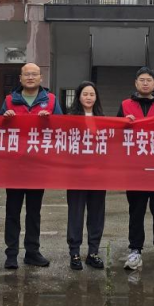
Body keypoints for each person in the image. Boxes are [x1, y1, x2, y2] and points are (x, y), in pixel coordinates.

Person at [1, 62, 62, 269]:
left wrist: (49, 121)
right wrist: (5, 119)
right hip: (14, 166)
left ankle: (32, 252)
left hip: (37, 166)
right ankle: (11, 254)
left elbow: (61, 128)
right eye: (26, 74)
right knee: (12, 212)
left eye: (34, 74)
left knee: (34, 212)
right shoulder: (9, 100)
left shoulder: (51, 100)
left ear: (40, 78)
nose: (30, 77)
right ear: (20, 78)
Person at [117, 67, 154, 272]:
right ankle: (135, 250)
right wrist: (125, 124)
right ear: (136, 83)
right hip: (135, 168)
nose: (145, 83)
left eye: (149, 80)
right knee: (136, 211)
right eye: (142, 80)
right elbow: (116, 132)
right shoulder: (125, 105)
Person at [65, 81, 107, 271]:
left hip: (98, 175)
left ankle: (93, 252)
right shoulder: (70, 118)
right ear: (78, 97)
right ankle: (74, 252)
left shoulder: (103, 119)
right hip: (76, 175)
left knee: (96, 214)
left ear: (96, 97)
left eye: (92, 94)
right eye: (85, 94)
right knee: (75, 213)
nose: (88, 97)